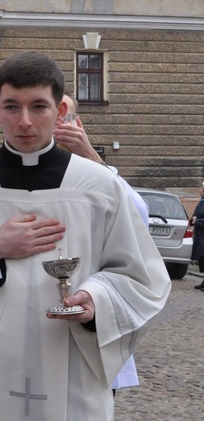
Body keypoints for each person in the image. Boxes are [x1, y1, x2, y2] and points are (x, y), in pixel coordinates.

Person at [0, 51, 171, 421]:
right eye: (12, 107)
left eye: (39, 107)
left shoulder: (100, 186)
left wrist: (97, 300)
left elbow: (143, 277)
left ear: (60, 112)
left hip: (72, 366)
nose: (24, 121)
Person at [54, 93, 148, 394]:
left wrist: (90, 155)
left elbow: (138, 217)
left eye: (63, 116)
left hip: (89, 302)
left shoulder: (96, 174)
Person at [192, 182, 204, 286]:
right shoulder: (201, 201)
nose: (199, 189)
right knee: (201, 258)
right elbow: (196, 214)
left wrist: (197, 221)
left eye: (201, 188)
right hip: (199, 234)